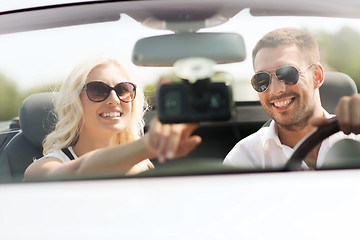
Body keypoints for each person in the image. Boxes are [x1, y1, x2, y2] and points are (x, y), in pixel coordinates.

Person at [24, 57, 201, 180]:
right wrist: (147, 146)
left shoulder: (143, 166)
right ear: (75, 102)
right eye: (98, 90)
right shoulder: (42, 169)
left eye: (123, 89)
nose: (114, 100)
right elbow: (80, 171)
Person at [224, 27, 360, 170]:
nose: (275, 90)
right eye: (261, 80)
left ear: (317, 75)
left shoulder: (356, 136)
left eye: (287, 74)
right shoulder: (244, 159)